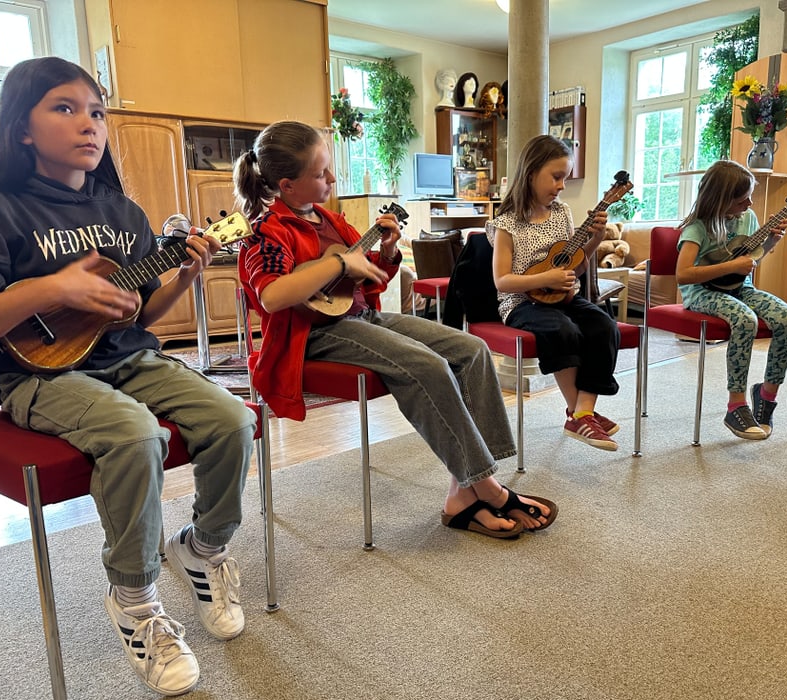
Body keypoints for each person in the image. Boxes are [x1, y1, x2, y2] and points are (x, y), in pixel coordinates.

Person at [0, 57, 256, 696]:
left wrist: (183, 275)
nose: (89, 125)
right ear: (22, 128)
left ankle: (204, 548)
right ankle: (134, 598)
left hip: (126, 356)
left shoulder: (120, 210)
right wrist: (49, 287)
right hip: (33, 376)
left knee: (235, 418)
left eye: (97, 112)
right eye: (65, 108)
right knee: (137, 436)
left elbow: (139, 311)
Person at [234, 120, 557, 540]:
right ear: (287, 185)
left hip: (361, 317)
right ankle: (489, 489)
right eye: (320, 173)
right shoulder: (265, 231)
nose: (331, 178)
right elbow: (272, 296)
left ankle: (465, 489)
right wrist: (337, 263)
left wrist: (386, 252)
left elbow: (369, 281)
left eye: (328, 168)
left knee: (471, 349)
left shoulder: (331, 221)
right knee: (429, 366)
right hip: (313, 336)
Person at [486, 134, 621, 452]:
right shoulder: (507, 224)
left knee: (604, 326)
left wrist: (595, 239)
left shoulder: (563, 214)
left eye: (565, 177)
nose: (562, 185)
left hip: (564, 298)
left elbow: (576, 266)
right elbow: (502, 281)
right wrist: (543, 277)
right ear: (531, 172)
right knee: (562, 330)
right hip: (520, 303)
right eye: (556, 176)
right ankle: (580, 413)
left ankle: (583, 410)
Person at [675, 160, 787, 441]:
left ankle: (766, 396)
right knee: (745, 320)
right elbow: (683, 275)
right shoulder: (697, 228)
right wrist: (731, 267)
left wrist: (769, 244)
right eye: (743, 199)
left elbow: (749, 260)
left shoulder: (748, 218)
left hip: (740, 288)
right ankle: (736, 405)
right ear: (721, 200)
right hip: (703, 292)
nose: (750, 203)